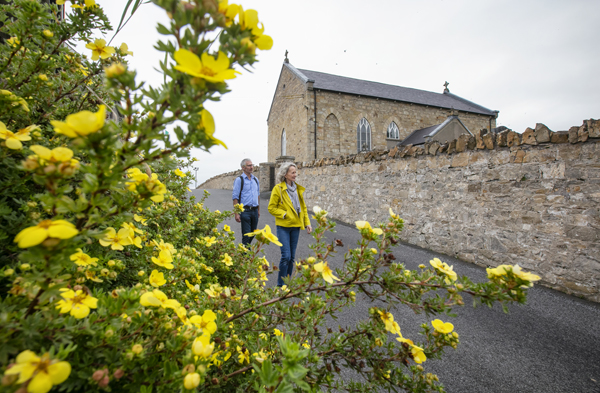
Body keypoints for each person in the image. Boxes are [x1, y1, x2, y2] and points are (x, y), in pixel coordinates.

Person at [268, 162, 312, 287]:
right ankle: (280, 285)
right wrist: (284, 214)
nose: (295, 175)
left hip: (296, 226)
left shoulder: (298, 189)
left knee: (292, 257)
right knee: (286, 256)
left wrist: (307, 223)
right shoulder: (278, 189)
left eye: (295, 172)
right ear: (285, 174)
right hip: (283, 227)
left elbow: (303, 208)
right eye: (292, 172)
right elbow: (271, 208)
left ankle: (287, 283)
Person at [232, 158, 260, 247]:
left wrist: (258, 210)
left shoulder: (255, 180)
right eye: (249, 165)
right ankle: (245, 256)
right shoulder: (239, 180)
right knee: (246, 234)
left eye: (252, 165)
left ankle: (244, 250)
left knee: (253, 232)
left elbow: (257, 195)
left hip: (255, 210)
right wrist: (236, 213)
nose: (252, 167)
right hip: (245, 211)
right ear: (243, 168)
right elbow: (235, 197)